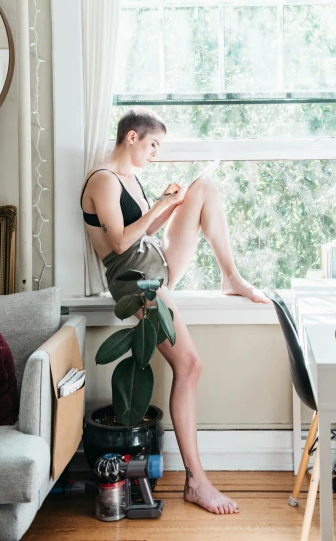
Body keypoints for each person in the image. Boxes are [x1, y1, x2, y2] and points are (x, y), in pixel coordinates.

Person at [81, 107, 270, 515]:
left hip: (157, 264)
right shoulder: (103, 180)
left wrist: (172, 204)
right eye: (153, 145)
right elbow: (119, 244)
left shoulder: (130, 179)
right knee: (191, 366)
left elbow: (146, 232)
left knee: (204, 188)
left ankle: (230, 277)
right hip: (136, 281)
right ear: (131, 137)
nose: (155, 153)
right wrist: (163, 202)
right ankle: (197, 482)